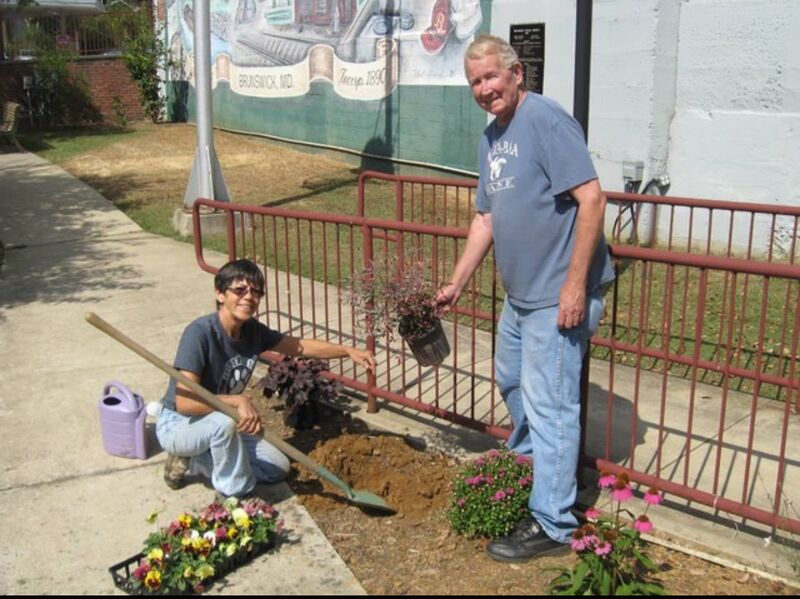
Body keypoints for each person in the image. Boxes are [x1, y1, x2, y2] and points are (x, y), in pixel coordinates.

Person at [436, 34, 615, 562]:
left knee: (552, 407)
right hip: (520, 297)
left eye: (492, 76)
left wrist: (575, 286)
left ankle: (553, 522)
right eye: (475, 81)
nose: (485, 88)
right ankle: (540, 481)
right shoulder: (491, 138)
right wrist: (457, 282)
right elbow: (486, 218)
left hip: (557, 294)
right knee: (514, 383)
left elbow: (592, 200)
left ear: (517, 74)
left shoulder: (546, 120)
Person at [156, 258, 376, 501]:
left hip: (218, 420)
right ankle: (233, 496)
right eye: (240, 290)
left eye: (256, 292)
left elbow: (299, 346)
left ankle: (195, 460)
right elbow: (185, 403)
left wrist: (347, 351)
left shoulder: (253, 331)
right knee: (224, 424)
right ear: (219, 294)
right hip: (179, 423)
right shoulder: (199, 334)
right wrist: (236, 401)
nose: (249, 297)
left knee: (276, 467)